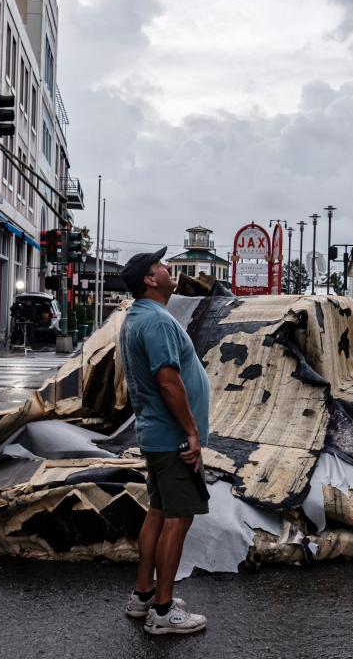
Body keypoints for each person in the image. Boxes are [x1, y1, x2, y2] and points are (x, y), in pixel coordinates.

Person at [119, 247, 211, 635]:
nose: (168, 267)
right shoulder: (155, 322)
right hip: (172, 437)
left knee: (157, 512)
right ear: (149, 280)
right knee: (178, 518)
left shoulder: (138, 318)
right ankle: (163, 611)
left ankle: (144, 595)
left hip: (155, 433)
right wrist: (191, 432)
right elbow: (168, 381)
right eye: (160, 265)